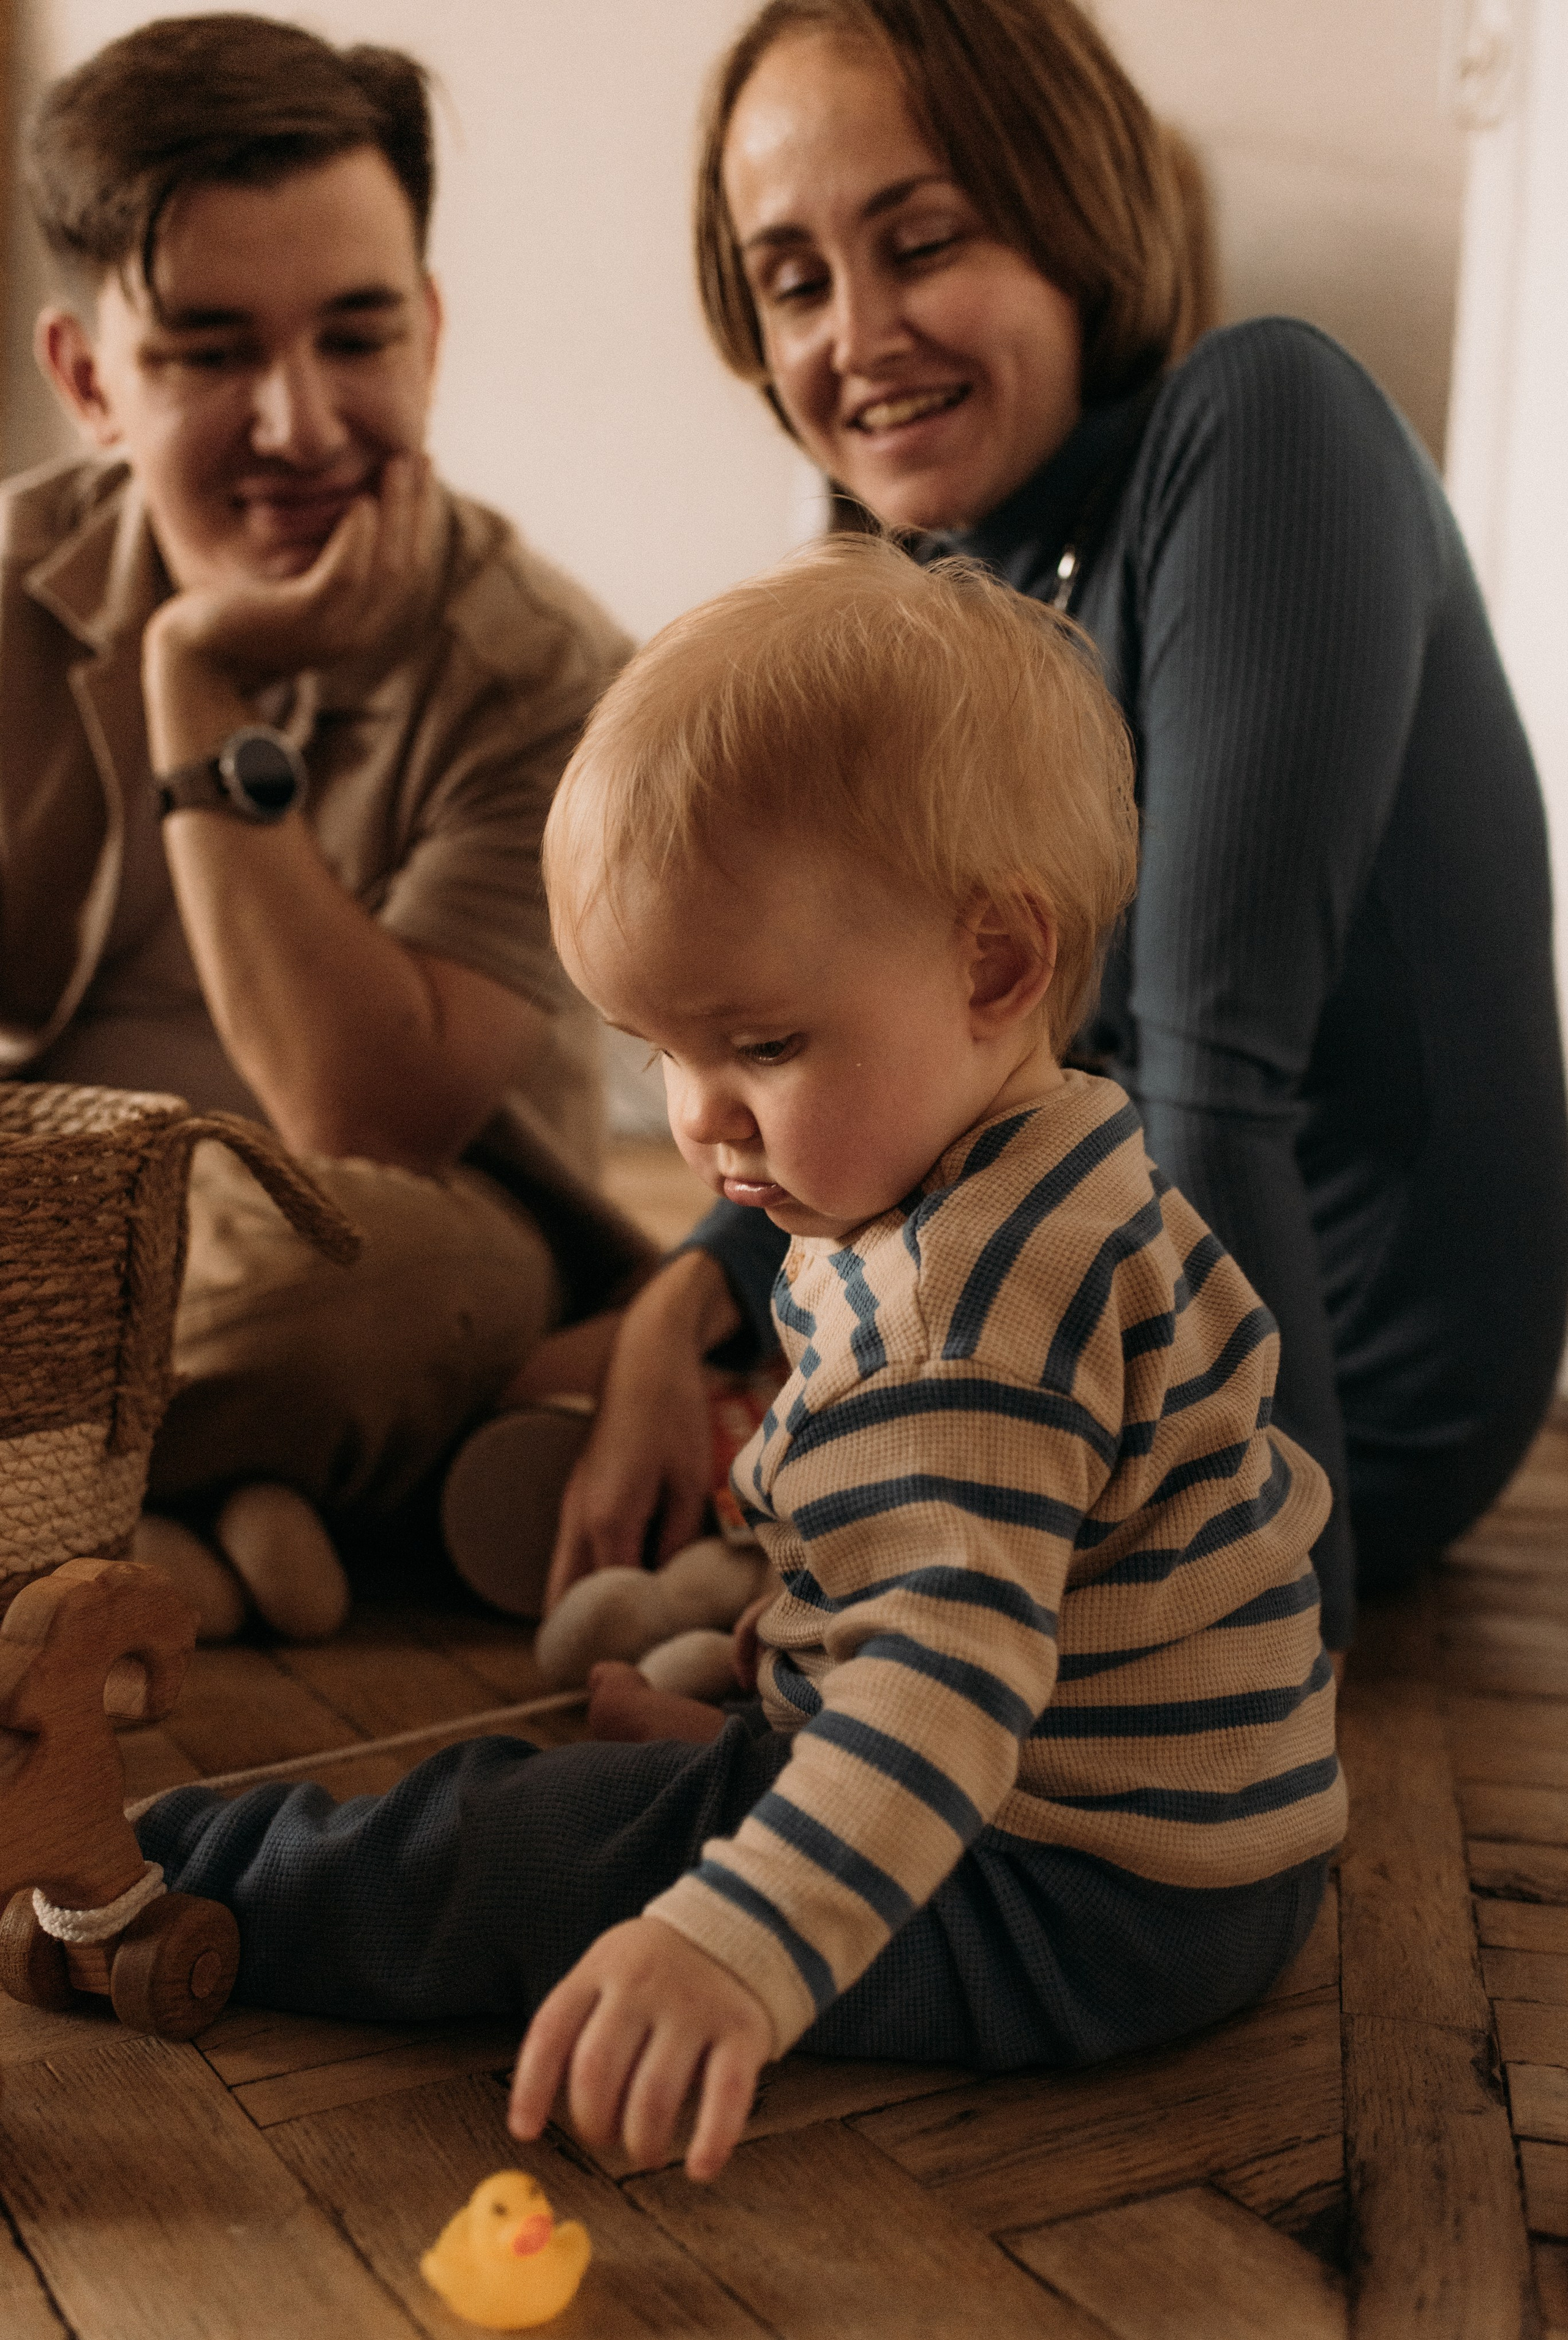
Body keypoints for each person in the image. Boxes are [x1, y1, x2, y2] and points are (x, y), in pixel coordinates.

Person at [139, 539, 1344, 2181]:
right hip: (1206, 1851)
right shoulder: (1044, 1154)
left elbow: (949, 1685)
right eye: (660, 1052)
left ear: (997, 966)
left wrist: (735, 1939)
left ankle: (180, 1869)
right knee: (734, 1655)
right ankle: (760, 1724)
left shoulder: (959, 1323)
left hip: (1069, 1897)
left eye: (761, 1046)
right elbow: (998, 1574)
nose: (697, 1119)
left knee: (528, 1847)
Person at [525, 0, 1568, 1656]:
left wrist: (1268, 1635)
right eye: (793, 280)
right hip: (1100, 1310)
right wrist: (685, 1300)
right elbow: (888, 1027)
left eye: (921, 241)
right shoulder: (953, 586)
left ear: (1073, 213)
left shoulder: (1266, 425)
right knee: (557, 1376)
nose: (856, 333)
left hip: (1329, 1400)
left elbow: (1204, 1072)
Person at [4, 15, 646, 1636]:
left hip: (372, 1233)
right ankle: (196, 1514)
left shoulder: (551, 670)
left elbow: (365, 1113)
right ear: (87, 380)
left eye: (357, 338)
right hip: (52, 1227)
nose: (299, 425)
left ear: (428, 330)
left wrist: (200, 683)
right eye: (211, 354)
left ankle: (94, 1505)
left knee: (384, 1295)